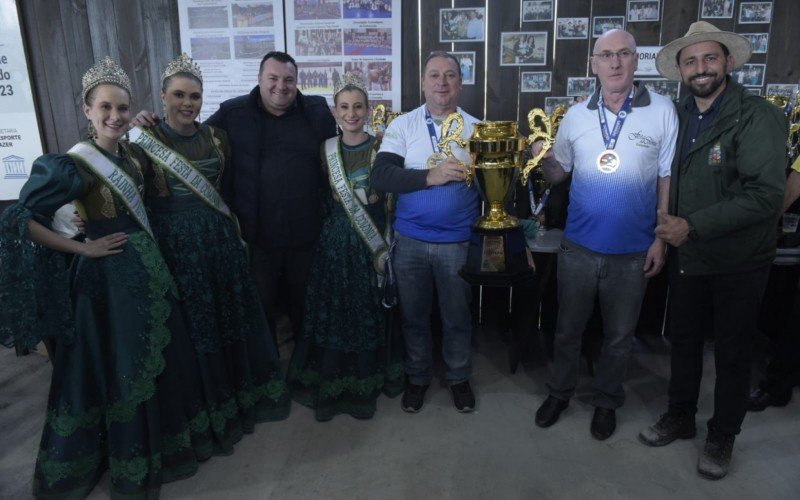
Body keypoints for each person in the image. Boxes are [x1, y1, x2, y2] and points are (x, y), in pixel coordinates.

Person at [0, 57, 216, 498]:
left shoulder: (133, 154)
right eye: (105, 108)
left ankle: (162, 450)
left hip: (148, 273)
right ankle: (124, 460)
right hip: (107, 285)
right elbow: (20, 218)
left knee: (156, 362)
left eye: (122, 107)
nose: (115, 116)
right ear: (87, 110)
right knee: (120, 369)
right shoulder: (72, 165)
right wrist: (83, 247)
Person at [638, 22, 787, 480]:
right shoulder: (676, 114)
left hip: (739, 259)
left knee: (733, 352)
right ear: (680, 70)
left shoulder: (757, 115)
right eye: (691, 61)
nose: (700, 68)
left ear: (726, 62)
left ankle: (722, 434)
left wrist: (692, 226)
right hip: (687, 257)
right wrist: (665, 234)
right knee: (681, 342)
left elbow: (765, 195)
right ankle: (681, 415)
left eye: (709, 59)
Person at [131, 53, 291, 437]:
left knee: (226, 320)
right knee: (192, 328)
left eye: (195, 97)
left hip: (219, 243)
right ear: (163, 96)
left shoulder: (217, 137)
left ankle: (237, 396)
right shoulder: (144, 141)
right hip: (176, 248)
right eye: (179, 95)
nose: (187, 104)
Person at [532, 29, 678, 440]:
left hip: (633, 252)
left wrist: (661, 238)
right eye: (606, 55)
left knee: (618, 339)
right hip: (578, 246)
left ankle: (607, 401)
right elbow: (560, 171)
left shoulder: (663, 110)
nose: (615, 63)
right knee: (567, 330)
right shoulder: (576, 115)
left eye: (624, 54)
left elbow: (666, 176)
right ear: (593, 64)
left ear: (636, 61)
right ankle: (559, 393)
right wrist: (542, 160)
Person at [135, 51, 336, 347]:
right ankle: (269, 374)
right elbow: (189, 134)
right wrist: (148, 119)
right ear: (259, 80)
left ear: (297, 82)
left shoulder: (317, 112)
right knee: (260, 308)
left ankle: (306, 370)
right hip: (256, 239)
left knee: (306, 307)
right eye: (273, 78)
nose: (281, 86)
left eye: (288, 80)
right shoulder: (233, 112)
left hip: (305, 236)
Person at [286, 73, 404, 421]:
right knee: (338, 308)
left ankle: (371, 373)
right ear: (335, 112)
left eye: (358, 106)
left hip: (373, 244)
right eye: (344, 107)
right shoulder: (325, 150)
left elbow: (391, 202)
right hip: (336, 243)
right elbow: (323, 197)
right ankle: (337, 375)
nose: (351, 113)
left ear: (368, 110)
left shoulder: (383, 148)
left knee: (370, 306)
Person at [371, 51, 480, 413]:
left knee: (457, 317)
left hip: (457, 244)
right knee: (413, 317)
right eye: (434, 75)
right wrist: (429, 176)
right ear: (423, 82)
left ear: (460, 83)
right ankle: (417, 379)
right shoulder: (403, 126)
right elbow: (382, 176)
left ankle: (459, 378)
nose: (442, 83)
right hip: (411, 242)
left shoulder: (477, 129)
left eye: (450, 75)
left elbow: (495, 189)